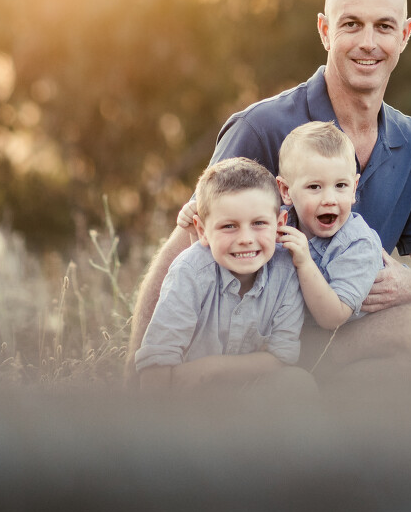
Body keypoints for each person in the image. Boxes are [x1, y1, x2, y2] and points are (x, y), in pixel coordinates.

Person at [128, 0, 411, 389]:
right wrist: (137, 385)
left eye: (383, 26)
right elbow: (183, 252)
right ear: (325, 30)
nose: (368, 42)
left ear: (404, 34)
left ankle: (342, 430)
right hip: (254, 350)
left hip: (338, 337)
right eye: (351, 24)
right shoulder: (262, 128)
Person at [134, 157, 316, 397]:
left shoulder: (286, 271)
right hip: (188, 399)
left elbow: (282, 357)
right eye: (229, 226)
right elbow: (157, 362)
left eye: (259, 223)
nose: (245, 239)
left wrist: (209, 369)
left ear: (279, 223)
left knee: (298, 382)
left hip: (246, 394)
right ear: (202, 230)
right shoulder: (190, 271)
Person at [275, 120, 385, 329]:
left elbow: (333, 318)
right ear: (286, 191)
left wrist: (304, 263)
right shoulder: (278, 223)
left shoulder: (358, 243)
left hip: (356, 330)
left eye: (340, 185)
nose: (329, 199)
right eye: (314, 187)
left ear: (354, 188)